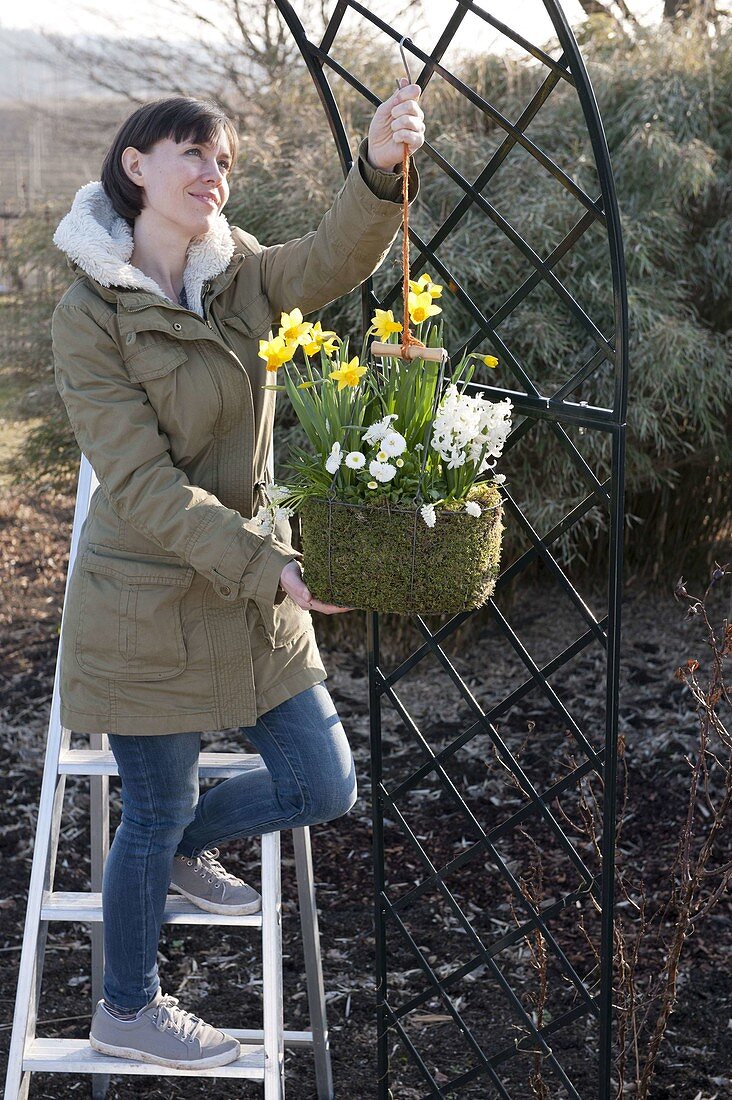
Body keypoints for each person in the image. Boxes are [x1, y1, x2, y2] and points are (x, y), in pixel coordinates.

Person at [50, 86, 424, 1070]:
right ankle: (126, 1006)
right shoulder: (88, 313)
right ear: (137, 166)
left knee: (322, 779)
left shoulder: (240, 275)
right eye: (195, 155)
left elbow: (333, 258)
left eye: (225, 161)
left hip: (256, 589)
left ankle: (181, 848)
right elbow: (138, 484)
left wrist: (381, 167)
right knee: (156, 808)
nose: (215, 175)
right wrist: (270, 564)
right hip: (148, 605)